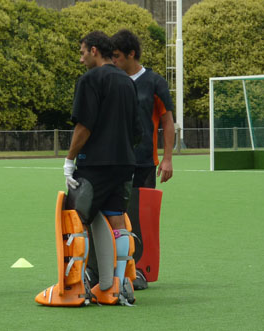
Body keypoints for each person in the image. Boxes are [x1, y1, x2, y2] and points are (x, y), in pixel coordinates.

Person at [64, 31, 141, 303]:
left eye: (83, 51)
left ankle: (79, 287)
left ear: (94, 50)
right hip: (124, 162)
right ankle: (119, 285)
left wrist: (69, 159)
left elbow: (84, 125)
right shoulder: (127, 81)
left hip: (95, 163)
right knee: (117, 219)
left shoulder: (89, 80)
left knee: (77, 219)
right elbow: (137, 129)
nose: (81, 57)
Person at [111, 29, 175, 290]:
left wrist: (168, 159)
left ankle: (140, 270)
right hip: (115, 162)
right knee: (117, 216)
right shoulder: (112, 79)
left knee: (141, 218)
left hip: (145, 162)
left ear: (131, 54)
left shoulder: (154, 82)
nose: (113, 60)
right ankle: (116, 268)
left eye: (116, 56)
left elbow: (168, 120)